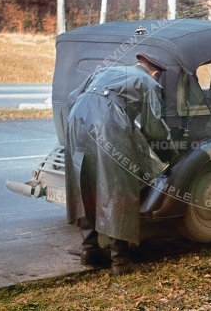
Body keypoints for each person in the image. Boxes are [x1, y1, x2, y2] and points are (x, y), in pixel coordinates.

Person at [64, 52, 179, 276]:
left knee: (85, 182)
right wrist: (170, 155)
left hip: (77, 119)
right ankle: (121, 261)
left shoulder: (105, 71)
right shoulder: (148, 82)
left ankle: (90, 250)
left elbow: (72, 98)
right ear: (154, 72)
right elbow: (153, 126)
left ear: (139, 64)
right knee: (117, 188)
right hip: (107, 125)